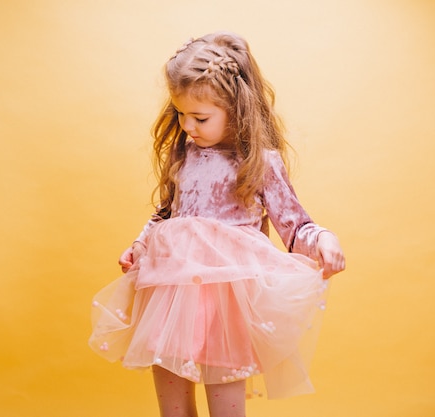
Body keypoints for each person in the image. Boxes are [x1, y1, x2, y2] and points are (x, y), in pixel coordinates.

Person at [89, 31, 345, 417]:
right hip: (172, 296)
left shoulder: (258, 162)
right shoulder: (185, 153)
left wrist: (323, 238)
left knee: (225, 406)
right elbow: (168, 213)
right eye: (180, 113)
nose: (187, 125)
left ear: (236, 108)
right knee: (172, 402)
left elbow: (295, 225)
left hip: (226, 304)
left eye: (201, 117)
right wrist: (140, 245)